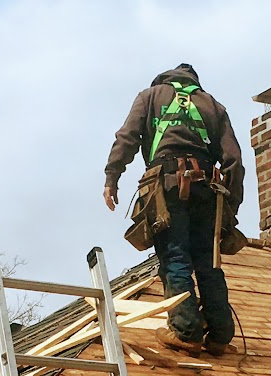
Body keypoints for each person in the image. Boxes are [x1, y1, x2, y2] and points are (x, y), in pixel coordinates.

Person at [103, 64, 245, 357]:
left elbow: (127, 138)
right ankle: (219, 335)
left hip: (167, 187)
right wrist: (231, 207)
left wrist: (111, 177)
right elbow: (233, 161)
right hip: (207, 191)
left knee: (176, 255)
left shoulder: (150, 96)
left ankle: (186, 332)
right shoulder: (213, 106)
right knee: (208, 260)